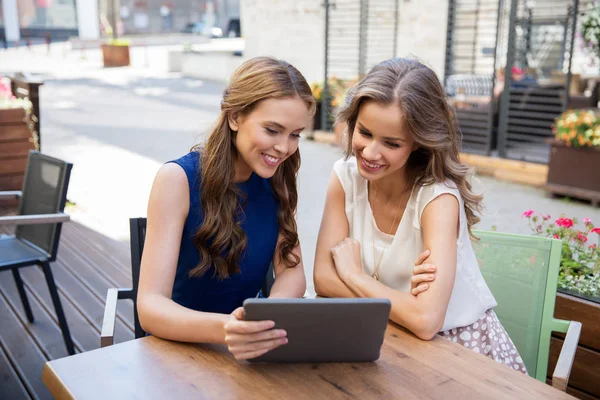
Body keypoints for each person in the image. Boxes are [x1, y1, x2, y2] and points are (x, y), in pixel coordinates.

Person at [313, 58, 527, 374]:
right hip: (388, 338)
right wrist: (403, 305)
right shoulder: (345, 178)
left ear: (418, 142)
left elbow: (427, 321)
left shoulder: (437, 198)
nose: (370, 153)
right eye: (365, 132)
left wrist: (353, 276)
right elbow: (323, 279)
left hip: (456, 351)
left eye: (391, 143)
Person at [137, 57, 313, 361]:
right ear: (234, 117)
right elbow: (151, 307)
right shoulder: (177, 180)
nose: (284, 148)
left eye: (295, 134)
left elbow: (292, 271)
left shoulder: (277, 176)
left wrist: (264, 320)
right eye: (272, 130)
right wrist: (228, 329)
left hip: (247, 347)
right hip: (181, 349)